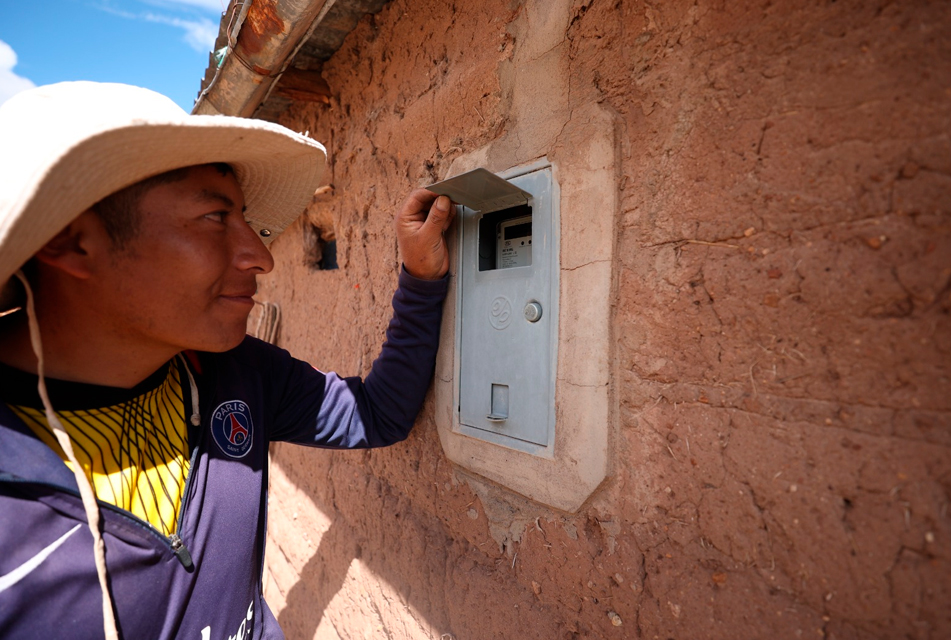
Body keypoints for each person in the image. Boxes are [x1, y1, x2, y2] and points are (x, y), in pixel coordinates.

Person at [0, 82, 454, 639]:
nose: (260, 256)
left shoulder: (237, 373)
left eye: (246, 219)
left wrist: (422, 278)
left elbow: (375, 413)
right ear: (72, 242)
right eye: (216, 218)